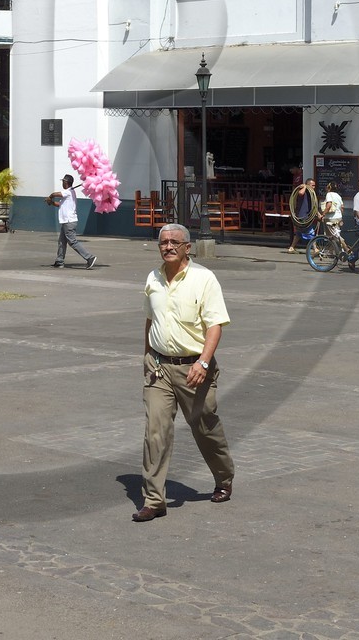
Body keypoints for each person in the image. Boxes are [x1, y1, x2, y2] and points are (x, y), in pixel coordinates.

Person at [134, 222, 234, 521]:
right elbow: (151, 320)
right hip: (159, 369)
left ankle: (224, 476)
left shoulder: (204, 279)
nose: (168, 247)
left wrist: (203, 362)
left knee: (205, 428)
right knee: (156, 432)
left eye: (174, 242)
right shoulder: (153, 278)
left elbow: (215, 325)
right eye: (163, 242)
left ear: (187, 247)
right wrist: (147, 355)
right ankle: (154, 500)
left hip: (194, 368)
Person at [52, 174, 96, 269]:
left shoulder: (68, 192)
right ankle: (59, 261)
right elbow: (60, 204)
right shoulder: (69, 193)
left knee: (72, 242)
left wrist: (51, 195)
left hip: (69, 222)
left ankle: (89, 257)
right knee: (62, 241)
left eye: (63, 181)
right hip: (66, 222)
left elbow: (57, 194)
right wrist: (51, 202)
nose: (62, 183)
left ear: (66, 183)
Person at [288, 176, 317, 253]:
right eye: (312, 185)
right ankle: (315, 249)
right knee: (311, 232)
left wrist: (319, 215)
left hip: (307, 216)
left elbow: (314, 206)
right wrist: (305, 187)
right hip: (302, 216)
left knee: (298, 233)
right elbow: (300, 193)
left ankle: (291, 248)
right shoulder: (304, 192)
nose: (314, 187)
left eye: (314, 185)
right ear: (308, 185)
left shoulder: (311, 195)